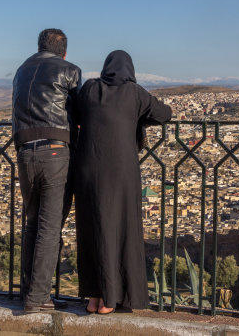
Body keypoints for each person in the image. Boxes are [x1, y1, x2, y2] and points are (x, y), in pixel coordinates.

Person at [74, 50, 172, 314]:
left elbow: (77, 112)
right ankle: (112, 298)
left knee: (92, 227)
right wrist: (137, 117)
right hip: (120, 171)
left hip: (87, 167)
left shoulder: (90, 88)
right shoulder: (134, 93)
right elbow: (165, 113)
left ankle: (94, 297)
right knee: (119, 229)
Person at [12, 28, 81, 313]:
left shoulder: (20, 70)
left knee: (31, 223)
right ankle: (38, 298)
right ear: (64, 51)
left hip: (25, 150)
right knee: (50, 227)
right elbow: (78, 112)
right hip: (55, 151)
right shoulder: (69, 70)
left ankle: (27, 291)